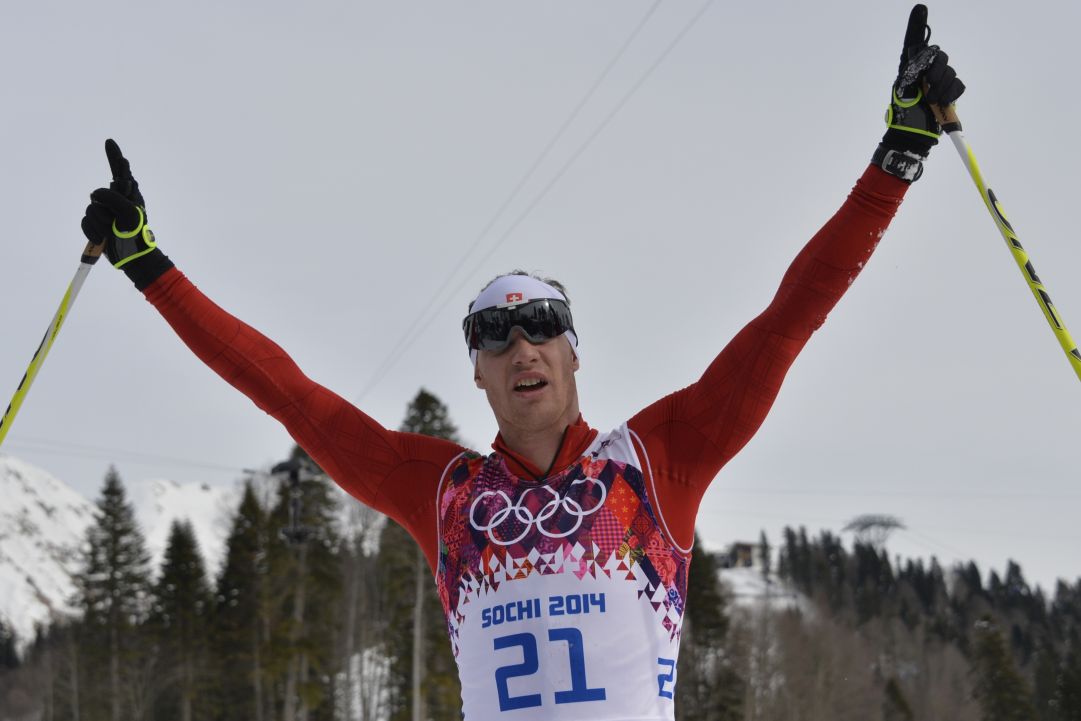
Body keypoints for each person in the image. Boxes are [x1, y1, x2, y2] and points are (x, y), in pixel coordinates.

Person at [80, 6, 963, 719]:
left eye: (540, 324)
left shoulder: (657, 460)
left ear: (573, 351)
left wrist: (898, 154)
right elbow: (286, 393)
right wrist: (147, 265)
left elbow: (787, 321)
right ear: (476, 372)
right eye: (492, 336)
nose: (520, 347)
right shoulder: (440, 490)